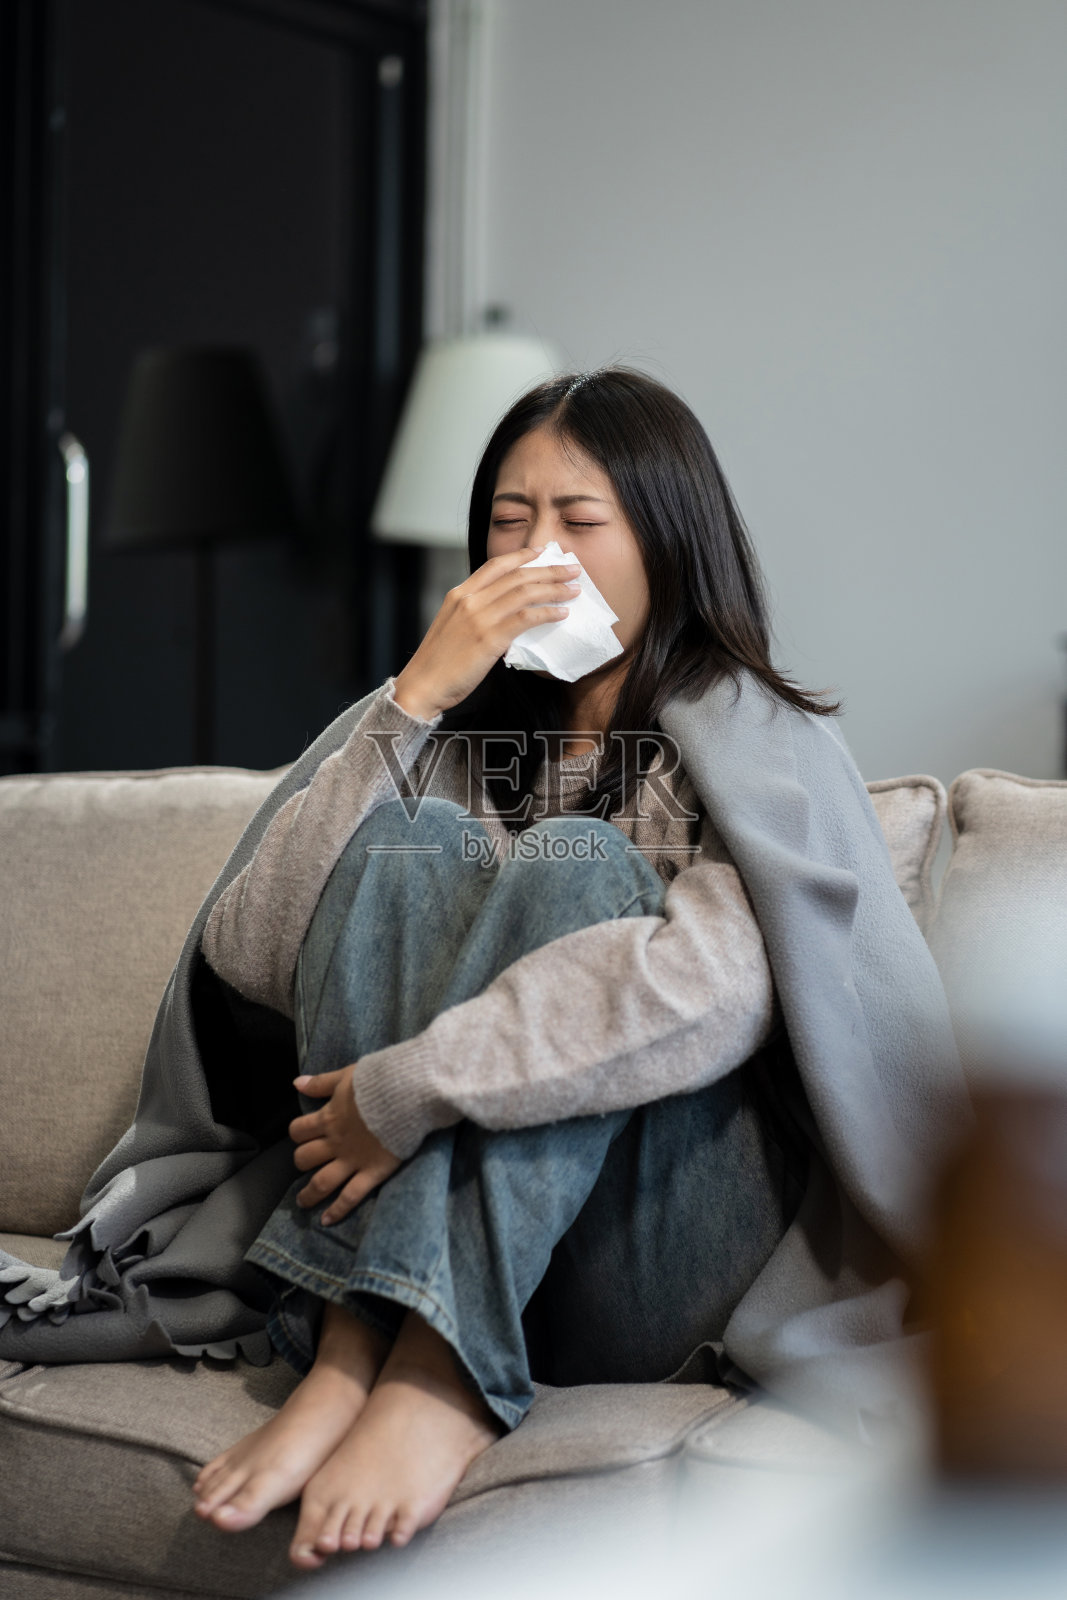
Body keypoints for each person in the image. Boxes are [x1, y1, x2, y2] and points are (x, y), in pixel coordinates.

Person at [182, 366, 934, 1570]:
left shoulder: (753, 734)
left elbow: (708, 994)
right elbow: (259, 954)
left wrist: (411, 1086)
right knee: (412, 837)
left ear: (666, 540)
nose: (538, 551)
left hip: (666, 1250)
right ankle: (348, 1345)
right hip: (472, 1253)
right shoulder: (461, 743)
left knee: (576, 865)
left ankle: (436, 1373)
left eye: (579, 520)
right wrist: (415, 696)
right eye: (506, 522)